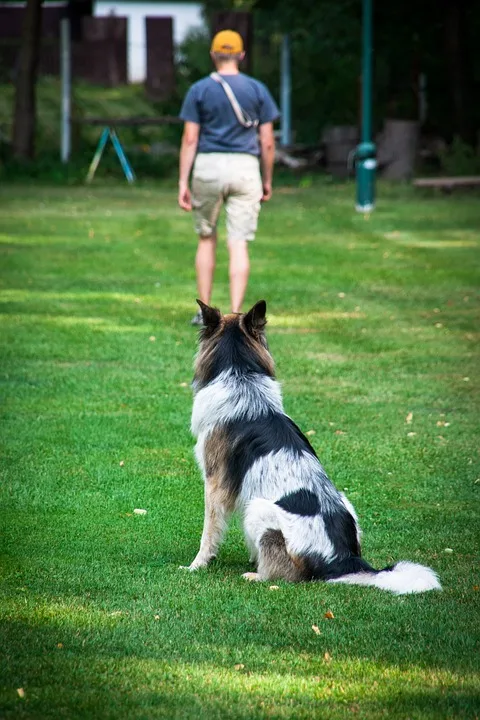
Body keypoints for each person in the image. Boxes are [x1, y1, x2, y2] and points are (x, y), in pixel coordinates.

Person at [178, 29, 280, 324]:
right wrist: (267, 179)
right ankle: (236, 312)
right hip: (245, 168)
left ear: (213, 55)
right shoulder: (257, 90)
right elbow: (268, 142)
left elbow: (189, 139)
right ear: (242, 55)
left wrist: (183, 182)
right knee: (238, 242)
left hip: (208, 166)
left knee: (206, 237)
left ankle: (205, 311)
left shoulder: (199, 90)